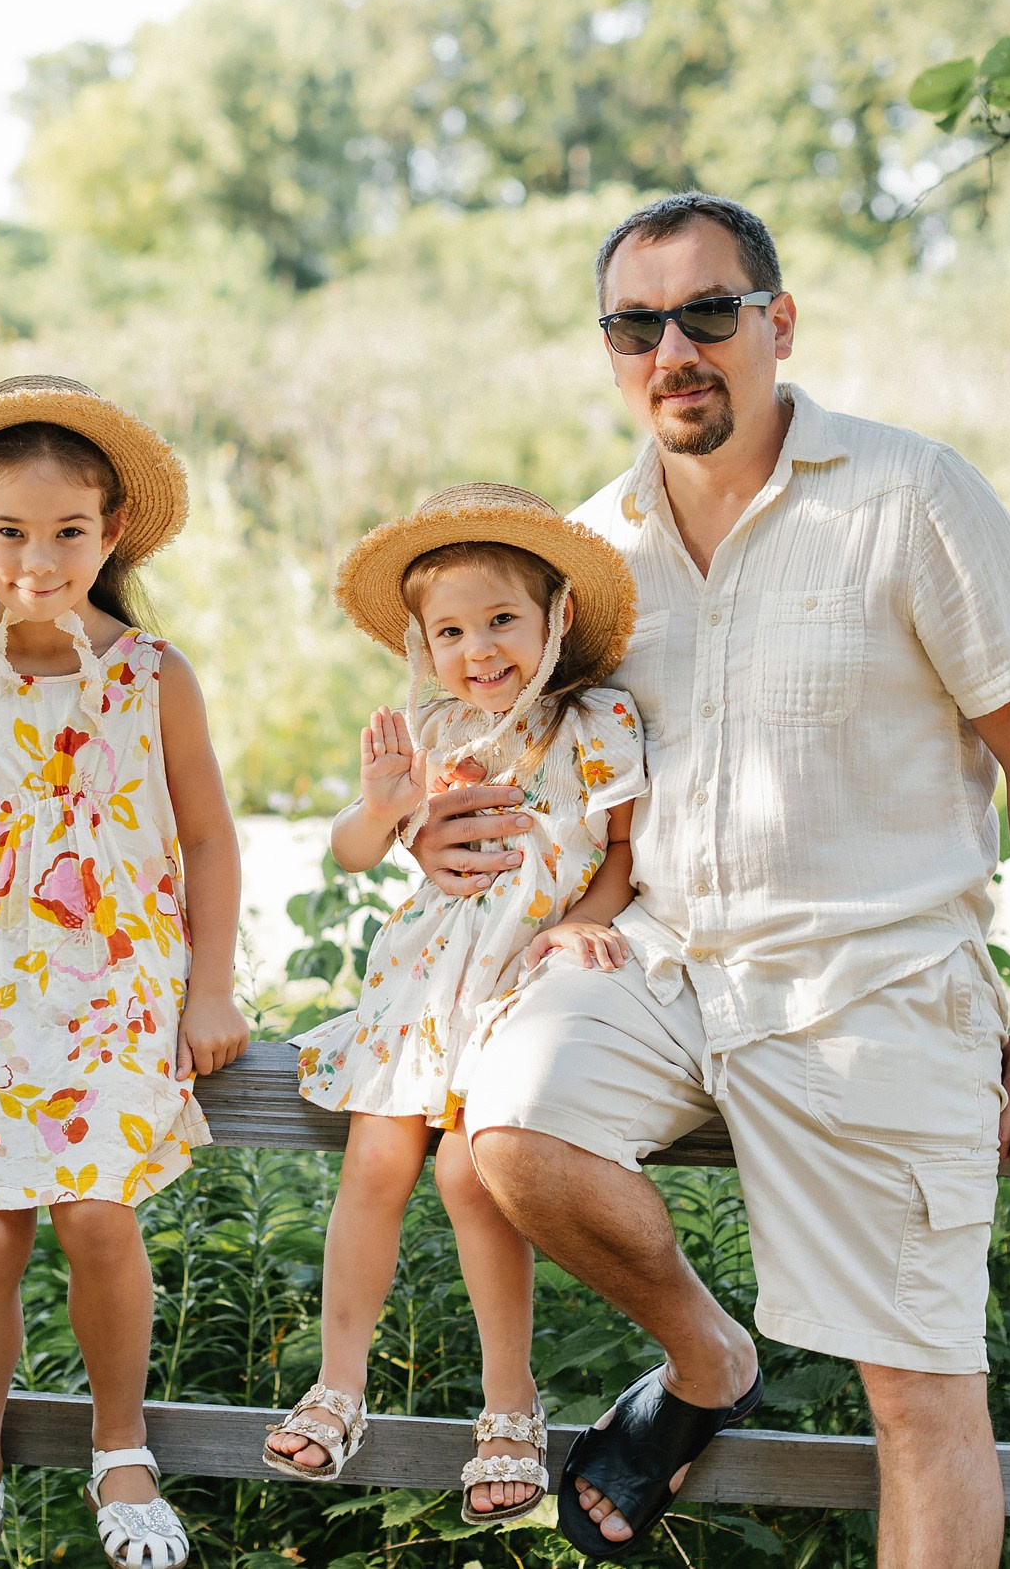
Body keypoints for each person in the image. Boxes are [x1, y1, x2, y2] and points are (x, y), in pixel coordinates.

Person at [427, 194, 1010, 1565]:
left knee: (918, 1393)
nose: (673, 346)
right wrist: (441, 835)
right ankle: (708, 1355)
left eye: (708, 312)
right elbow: (533, 767)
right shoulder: (582, 550)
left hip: (881, 979)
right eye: (636, 323)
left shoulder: (913, 492)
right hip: (659, 963)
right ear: (610, 350)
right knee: (510, 1135)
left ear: (776, 323)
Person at [0, 376, 252, 1569]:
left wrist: (210, 988)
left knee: (95, 1217)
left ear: (110, 533)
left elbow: (211, 836)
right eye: (11, 532)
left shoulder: (153, 674)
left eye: (68, 531)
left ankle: (119, 1455)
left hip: (117, 990)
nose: (39, 558)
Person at [262, 485, 645, 1526]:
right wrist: (380, 807)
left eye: (502, 622)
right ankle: (339, 1384)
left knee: (470, 1171)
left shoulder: (597, 721)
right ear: (420, 646)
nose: (479, 650)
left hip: (524, 974)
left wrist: (573, 927)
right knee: (376, 1159)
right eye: (451, 632)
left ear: (556, 618)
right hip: (427, 975)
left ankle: (508, 1402)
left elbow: (619, 858)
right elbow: (351, 853)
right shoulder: (430, 729)